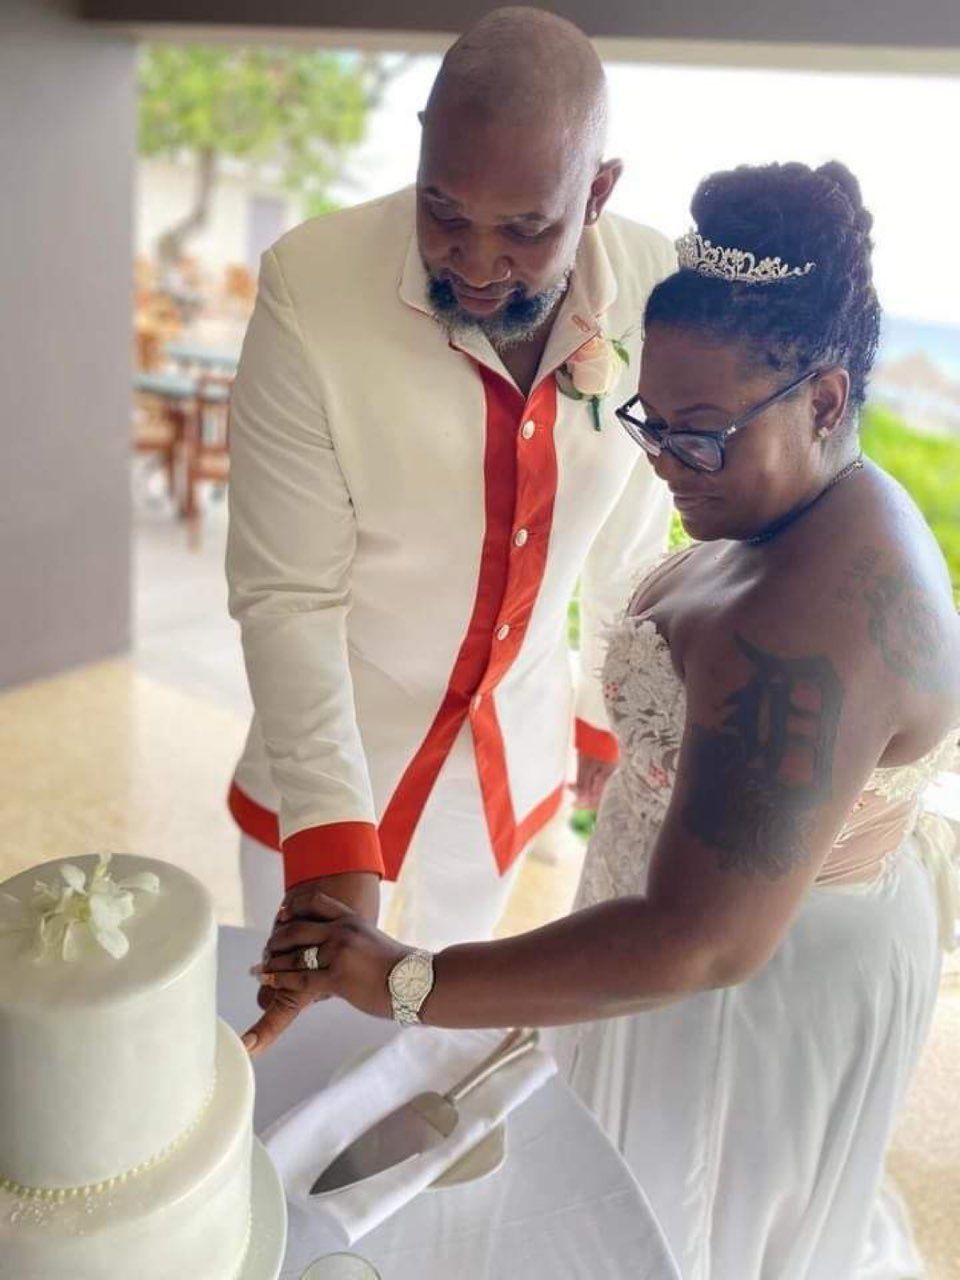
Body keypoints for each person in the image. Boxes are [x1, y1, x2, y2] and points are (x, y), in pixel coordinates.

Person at [247, 160, 960, 1280]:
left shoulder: (821, 621)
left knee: (676, 1225)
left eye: (704, 434)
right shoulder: (780, 497)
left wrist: (405, 977)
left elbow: (703, 939)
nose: (667, 462)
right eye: (652, 420)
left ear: (826, 399)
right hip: (664, 929)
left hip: (745, 994)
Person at [225, 7, 674, 957]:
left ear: (597, 192)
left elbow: (632, 540)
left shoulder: (649, 281)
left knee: (451, 998)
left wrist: (604, 713)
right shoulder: (311, 289)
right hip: (333, 739)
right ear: (421, 152)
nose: (475, 263)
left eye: (525, 229)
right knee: (299, 1016)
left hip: (515, 740)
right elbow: (288, 592)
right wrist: (331, 824)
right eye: (444, 212)